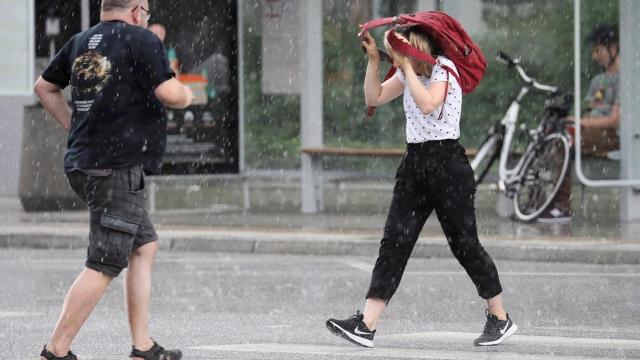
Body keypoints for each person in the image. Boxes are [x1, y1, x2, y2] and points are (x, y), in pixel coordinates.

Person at [325, 26, 517, 348]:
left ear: (414, 50)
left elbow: (428, 103)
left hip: (448, 165)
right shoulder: (405, 74)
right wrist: (374, 60)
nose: (394, 60)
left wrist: (408, 67)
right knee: (395, 241)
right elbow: (373, 97)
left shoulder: (444, 68)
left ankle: (499, 317)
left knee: (464, 244)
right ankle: (366, 325)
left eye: (398, 53)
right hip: (415, 163)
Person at [33, 1, 193, 359]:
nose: (146, 18)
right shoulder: (141, 39)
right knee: (104, 262)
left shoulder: (81, 42)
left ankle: (143, 346)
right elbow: (168, 93)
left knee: (143, 245)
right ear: (137, 10)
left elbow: (44, 87)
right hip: (115, 168)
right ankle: (56, 351)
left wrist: (75, 125)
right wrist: (187, 93)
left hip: (85, 163)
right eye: (147, 12)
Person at [539, 24, 620, 223]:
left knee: (563, 140)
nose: (595, 56)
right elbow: (591, 111)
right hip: (591, 132)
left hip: (613, 136)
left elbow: (615, 120)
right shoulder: (599, 80)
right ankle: (543, 201)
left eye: (598, 50)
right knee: (550, 134)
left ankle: (562, 206)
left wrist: (579, 122)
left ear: (614, 48)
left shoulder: (626, 79)